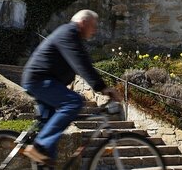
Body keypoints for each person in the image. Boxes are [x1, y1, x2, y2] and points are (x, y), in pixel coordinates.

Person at [20, 10, 120, 165]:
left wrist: (101, 86)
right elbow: (81, 63)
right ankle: (40, 147)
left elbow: (86, 63)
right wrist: (103, 88)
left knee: (50, 143)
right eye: (93, 26)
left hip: (44, 81)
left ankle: (43, 158)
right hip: (39, 80)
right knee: (74, 102)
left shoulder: (74, 37)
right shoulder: (69, 33)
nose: (95, 30)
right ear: (83, 23)